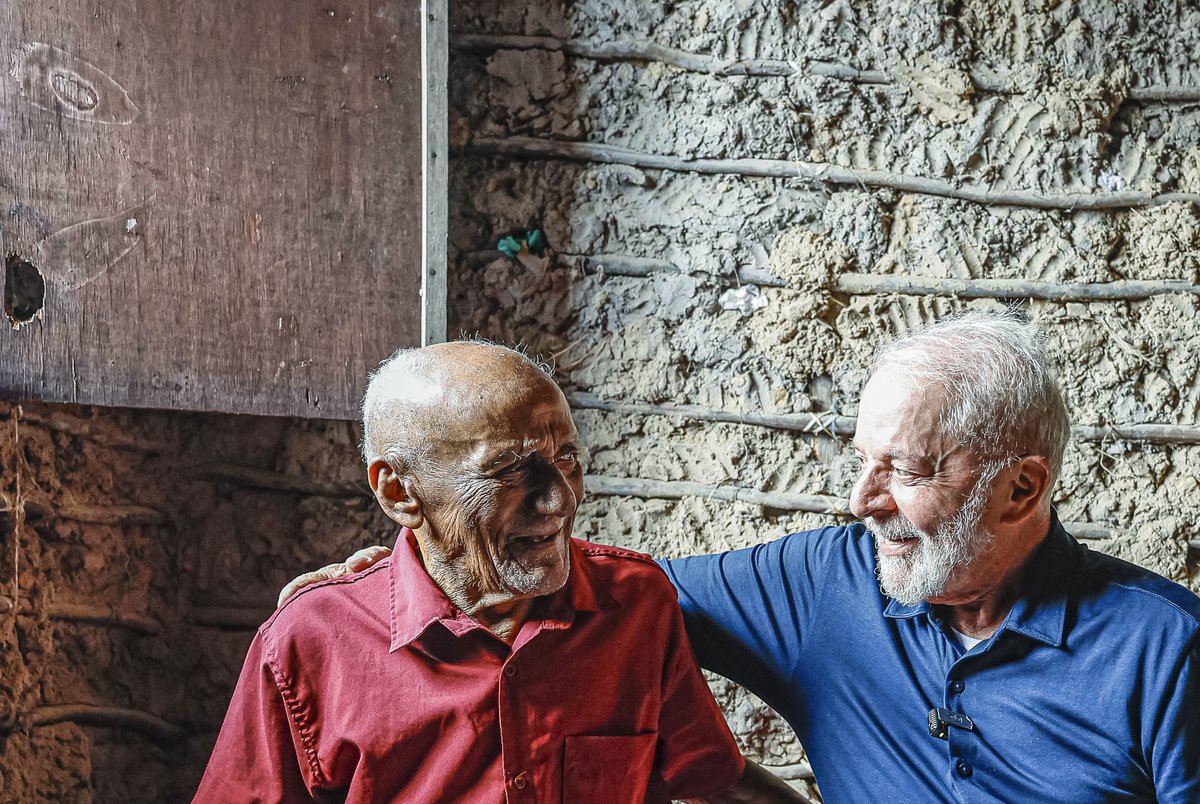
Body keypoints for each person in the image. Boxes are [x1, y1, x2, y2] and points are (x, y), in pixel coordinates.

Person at [290, 312, 1199, 802]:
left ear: (1022, 490)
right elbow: (594, 592)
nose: (862, 502)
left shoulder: (1165, 652)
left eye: (908, 471)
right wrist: (422, 551)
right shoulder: (824, 583)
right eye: (861, 462)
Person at [196, 341, 801, 803]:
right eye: (510, 471)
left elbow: (714, 778)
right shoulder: (311, 641)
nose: (559, 500)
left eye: (567, 457)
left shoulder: (636, 606)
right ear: (400, 491)